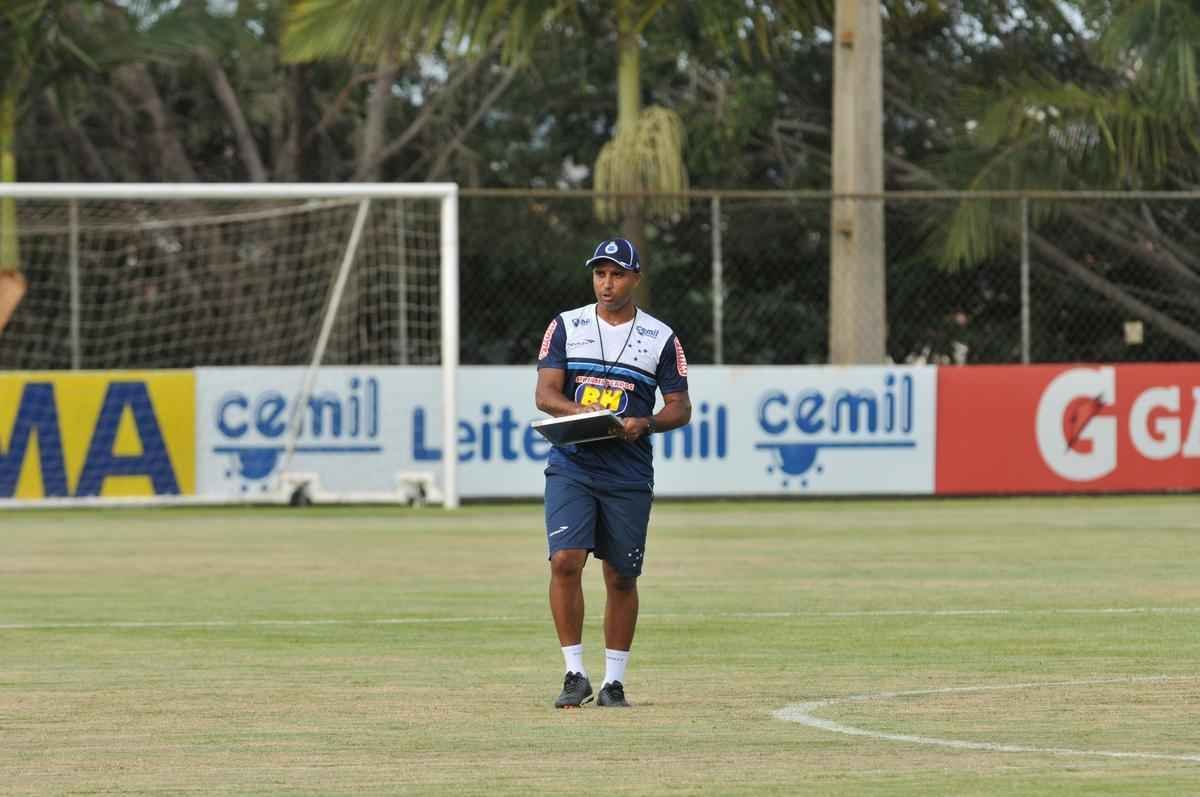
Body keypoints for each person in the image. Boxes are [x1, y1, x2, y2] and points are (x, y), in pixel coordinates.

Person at [534, 237, 692, 708]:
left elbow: (680, 407)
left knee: (622, 575)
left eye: (617, 274)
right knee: (565, 560)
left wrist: (648, 422)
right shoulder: (566, 325)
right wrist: (581, 411)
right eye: (600, 274)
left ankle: (614, 682)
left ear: (635, 278)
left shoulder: (660, 337)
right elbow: (545, 394)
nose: (607, 283)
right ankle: (574, 673)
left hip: (627, 470)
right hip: (573, 463)